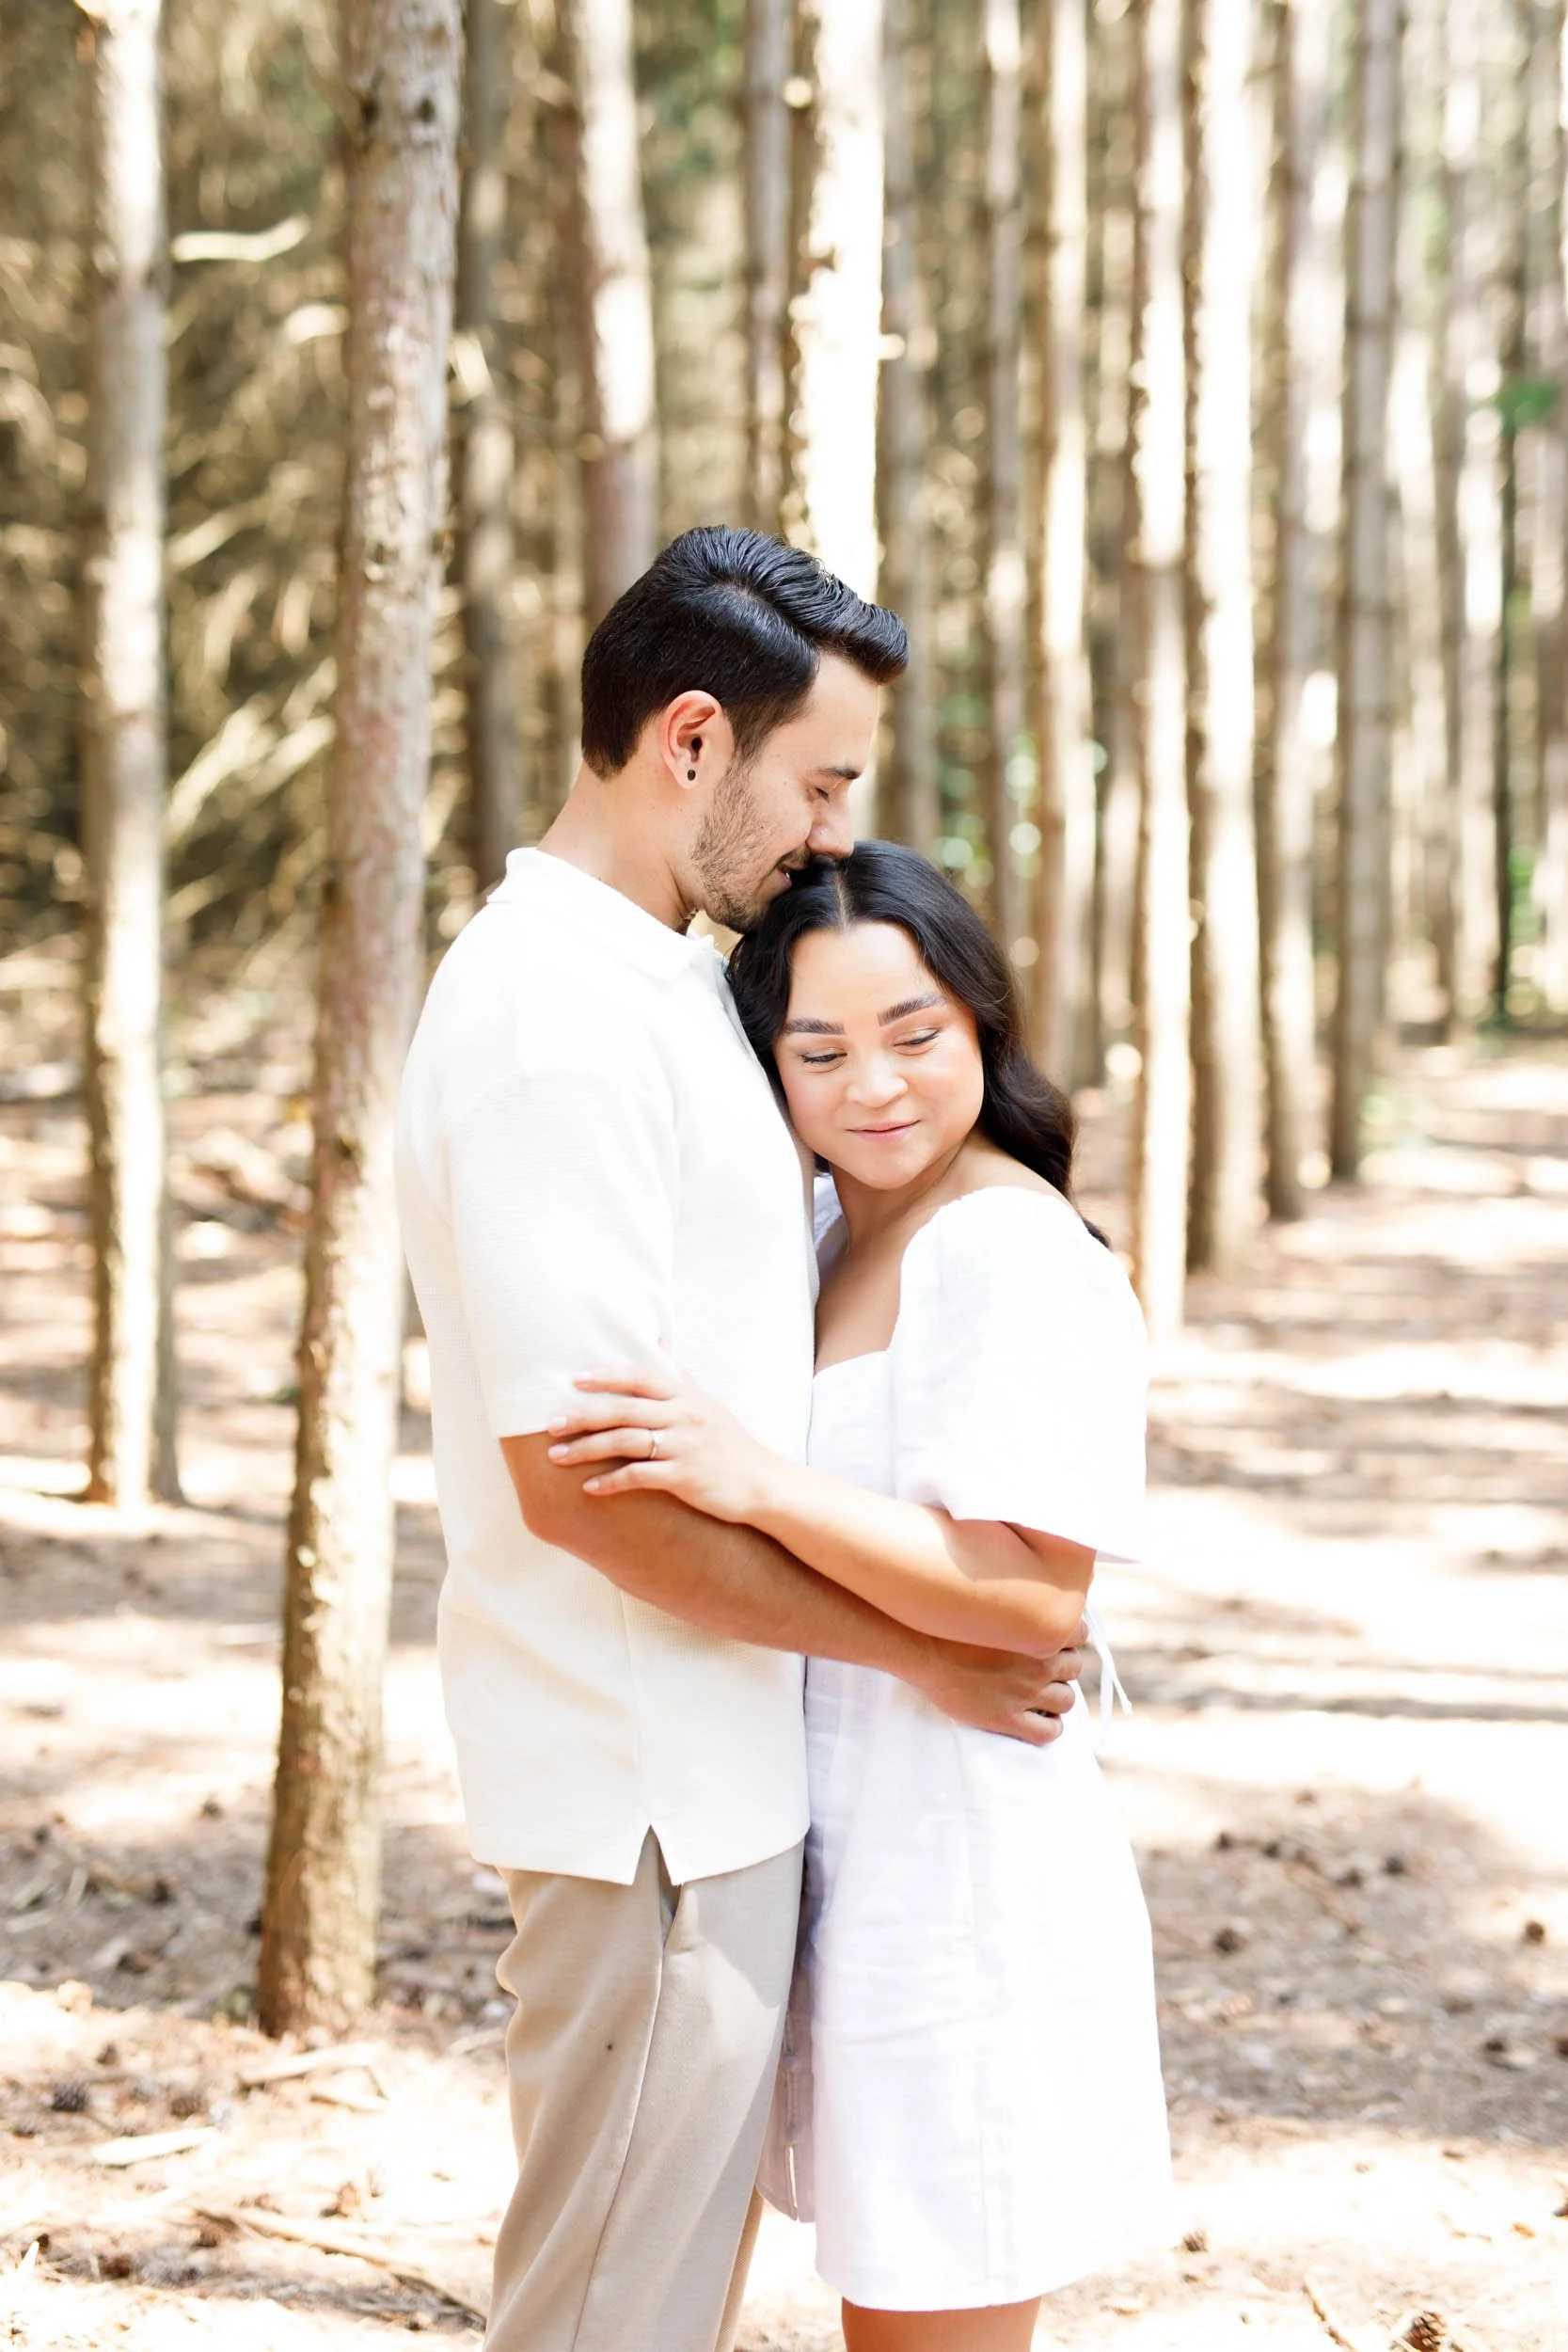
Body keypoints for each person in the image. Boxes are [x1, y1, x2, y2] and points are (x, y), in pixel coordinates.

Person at [394, 530, 1087, 2352]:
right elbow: (589, 1493)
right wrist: (920, 1644)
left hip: (714, 1786)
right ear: (690, 742)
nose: (837, 833)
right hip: (646, 1805)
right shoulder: (550, 1021)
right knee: (607, 2321)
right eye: (820, 778)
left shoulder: (660, 983)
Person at [546, 841, 1173, 2352]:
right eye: (818, 1051)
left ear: (979, 1022)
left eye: (914, 1036)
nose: (872, 1087)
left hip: (960, 1866)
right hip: (845, 1835)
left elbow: (1033, 1597)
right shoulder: (829, 1235)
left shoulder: (1004, 1250)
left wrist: (754, 1478)